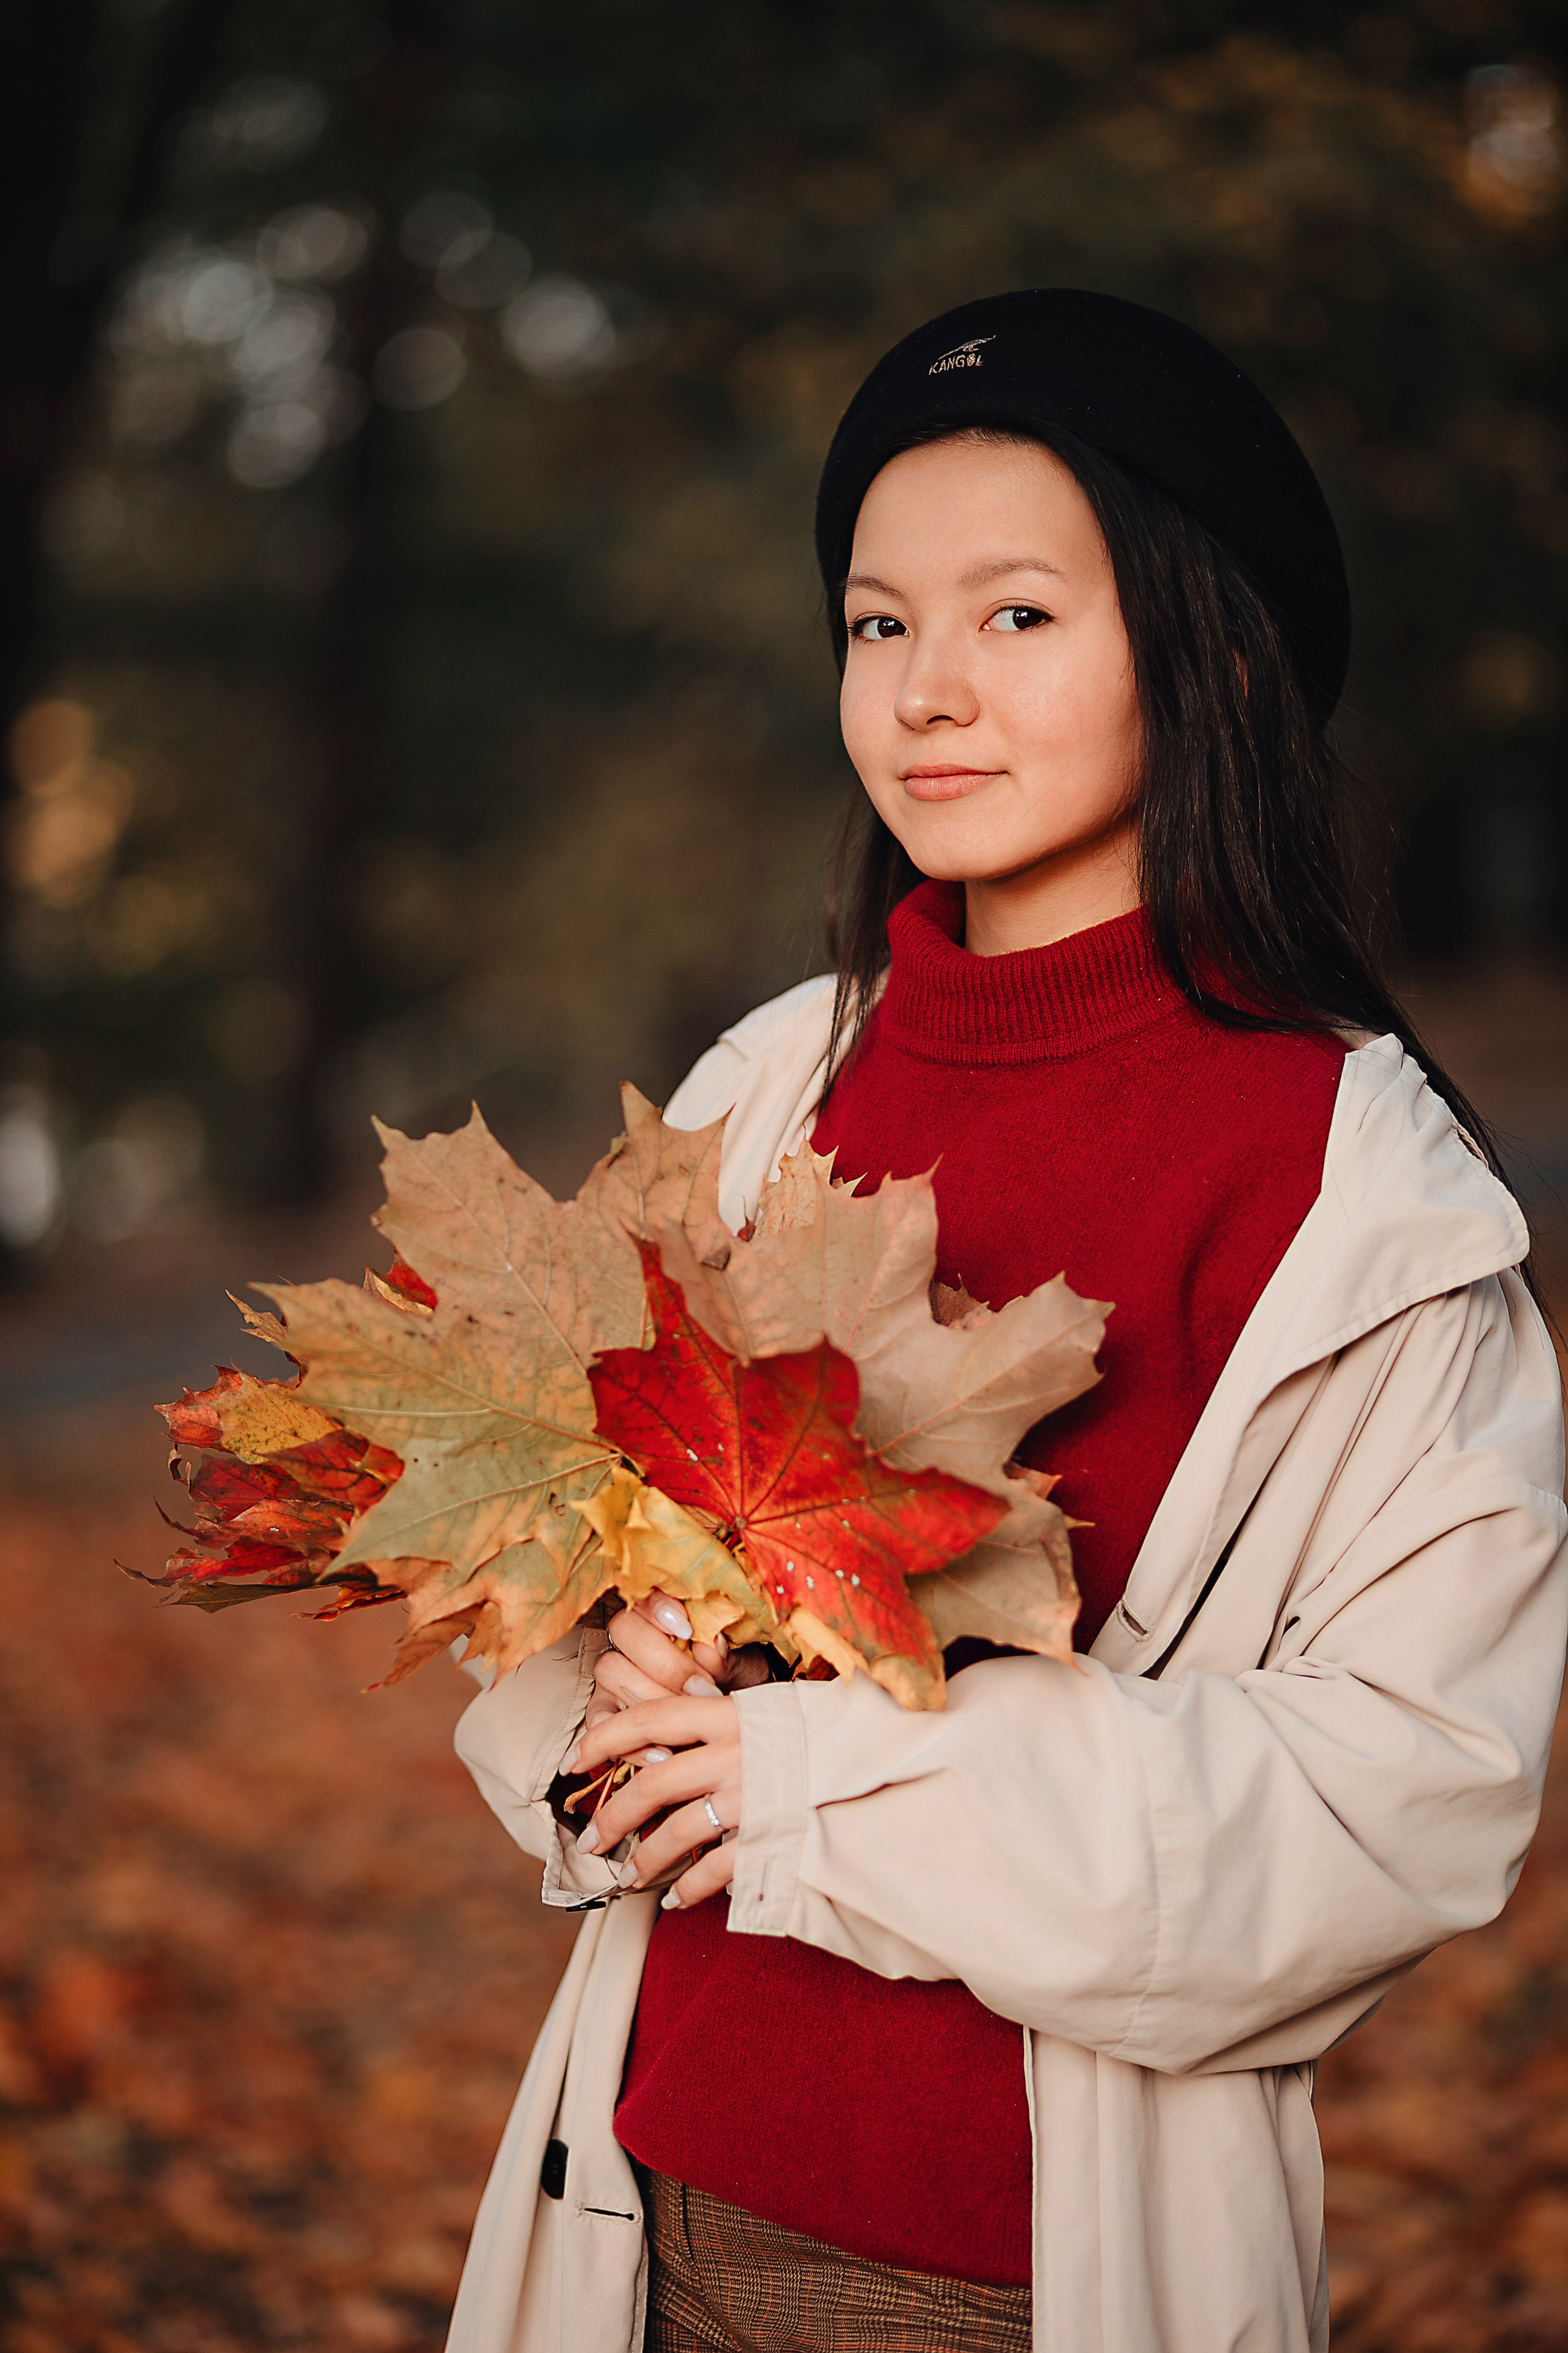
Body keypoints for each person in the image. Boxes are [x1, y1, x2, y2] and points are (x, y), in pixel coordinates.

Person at [444, 291, 1568, 2353]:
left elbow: (1401, 1801)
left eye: (1019, 617)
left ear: (1208, 651)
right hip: (643, 2200)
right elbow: (566, 1597)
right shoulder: (773, 1086)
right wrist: (609, 1664)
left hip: (1026, 2273)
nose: (929, 691)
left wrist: (814, 1785)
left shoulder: (1362, 1198)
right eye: (879, 625)